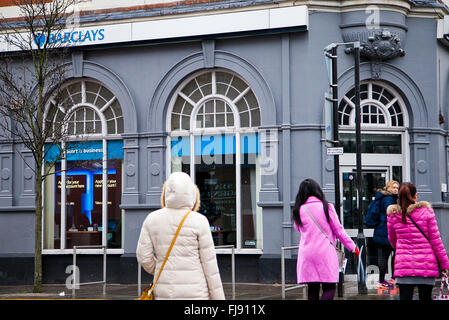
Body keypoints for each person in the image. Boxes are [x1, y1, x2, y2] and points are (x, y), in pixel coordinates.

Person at [136, 172, 225, 300]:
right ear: (192, 194)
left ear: (166, 192)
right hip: (196, 292)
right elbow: (210, 266)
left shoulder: (152, 219)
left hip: (164, 292)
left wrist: (161, 268)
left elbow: (144, 257)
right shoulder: (199, 221)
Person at [292, 178, 359, 300]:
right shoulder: (327, 207)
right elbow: (339, 231)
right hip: (324, 253)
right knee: (329, 287)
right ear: (317, 190)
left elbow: (298, 228)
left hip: (306, 253)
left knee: (312, 288)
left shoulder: (299, 210)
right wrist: (352, 247)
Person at [387, 182, 449, 300]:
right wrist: (445, 264)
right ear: (415, 196)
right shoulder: (426, 212)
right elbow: (436, 241)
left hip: (403, 265)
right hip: (426, 264)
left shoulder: (393, 215)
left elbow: (392, 240)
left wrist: (402, 249)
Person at [370, 180, 399, 289]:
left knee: (386, 256)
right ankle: (389, 279)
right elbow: (390, 213)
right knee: (390, 255)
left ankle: (384, 280)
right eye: (394, 187)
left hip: (381, 230)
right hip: (386, 231)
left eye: (397, 187)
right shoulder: (388, 199)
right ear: (388, 188)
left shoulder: (383, 197)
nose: (396, 189)